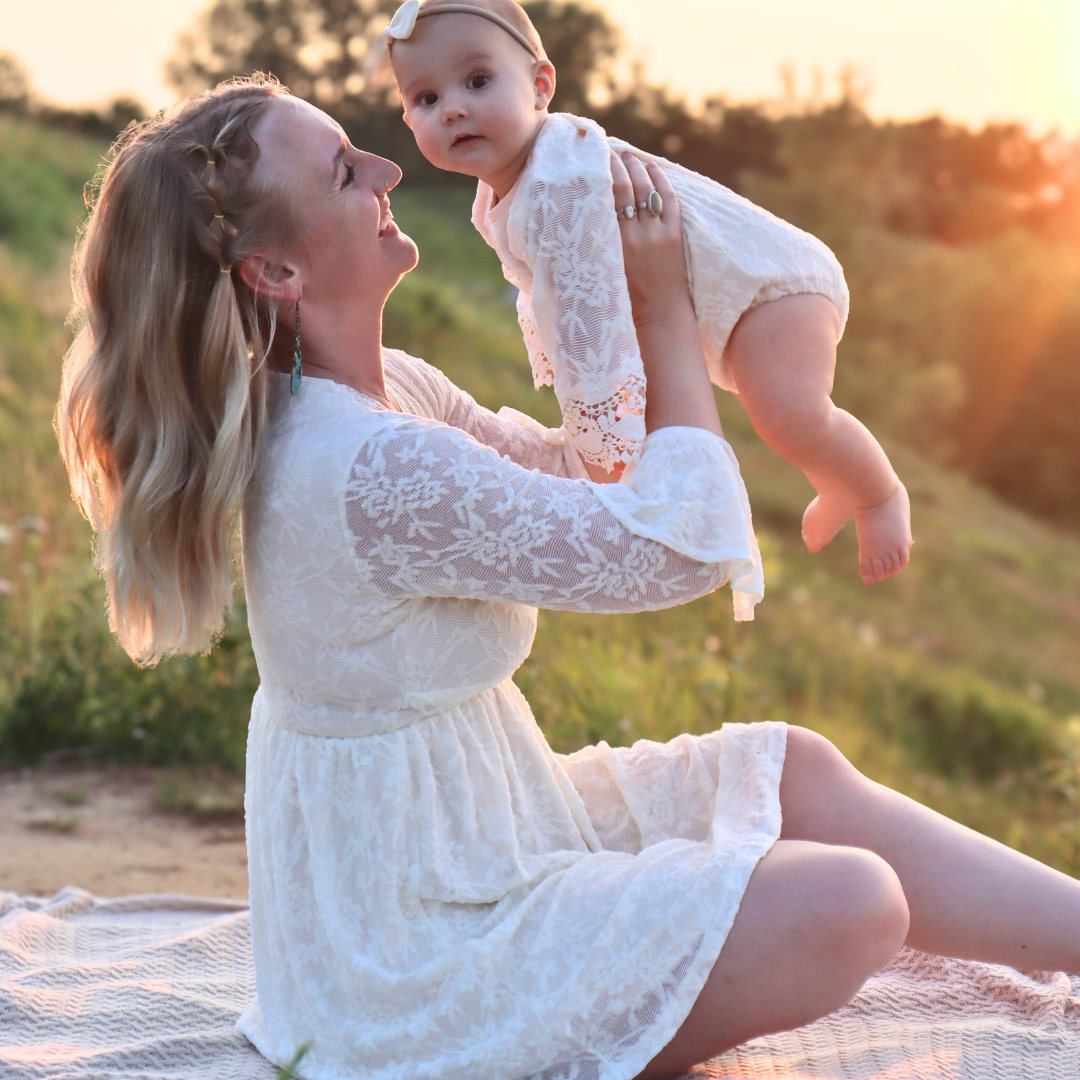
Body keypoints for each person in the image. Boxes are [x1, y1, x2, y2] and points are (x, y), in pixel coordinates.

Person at [55, 76, 1080, 1080]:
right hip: (417, 956)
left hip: (484, 827)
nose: (386, 170)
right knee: (853, 902)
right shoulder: (366, 465)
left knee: (793, 772)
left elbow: (592, 470)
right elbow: (668, 552)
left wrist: (574, 265)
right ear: (276, 271)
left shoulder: (389, 391)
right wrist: (665, 311)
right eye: (343, 172)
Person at [385, 0, 912, 589]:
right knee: (784, 420)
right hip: (742, 296)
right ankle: (836, 476)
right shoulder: (505, 190)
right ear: (408, 119)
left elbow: (586, 327)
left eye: (478, 81)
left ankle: (879, 496)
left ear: (540, 86)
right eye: (426, 98)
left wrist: (601, 444)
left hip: (771, 287)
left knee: (791, 416)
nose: (453, 108)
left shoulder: (559, 178)